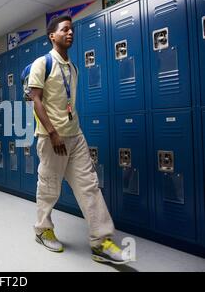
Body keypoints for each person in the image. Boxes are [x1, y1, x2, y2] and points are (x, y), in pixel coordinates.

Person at [28, 15, 132, 265]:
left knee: (89, 186)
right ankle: (43, 230)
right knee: (49, 187)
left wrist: (69, 129)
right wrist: (53, 133)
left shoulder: (73, 68)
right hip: (51, 137)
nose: (70, 32)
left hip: (76, 136)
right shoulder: (42, 63)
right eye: (64, 29)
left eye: (72, 29)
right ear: (52, 36)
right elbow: (36, 99)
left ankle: (101, 242)